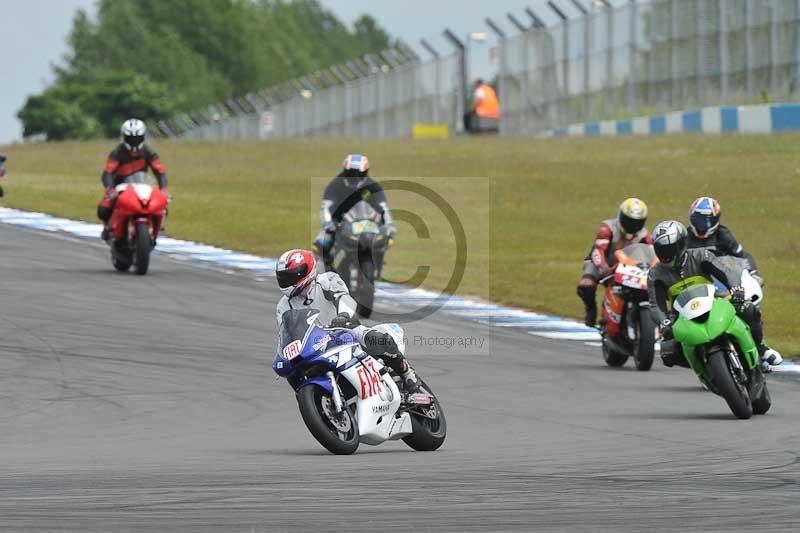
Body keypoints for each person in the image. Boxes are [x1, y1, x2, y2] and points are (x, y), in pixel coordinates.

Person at [274, 248, 420, 391]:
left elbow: (344, 298)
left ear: (305, 272)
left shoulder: (326, 280)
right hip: (315, 346)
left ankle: (407, 373)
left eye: (290, 276)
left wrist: (343, 316)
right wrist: (283, 356)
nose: (286, 281)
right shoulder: (283, 306)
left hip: (343, 329)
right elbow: (287, 333)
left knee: (378, 339)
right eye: (283, 277)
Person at [648, 220, 782, 367]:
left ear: (681, 244)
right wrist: (664, 322)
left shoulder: (700, 255)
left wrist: (735, 289)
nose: (665, 256)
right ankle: (703, 367)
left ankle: (761, 348)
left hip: (713, 302)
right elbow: (655, 304)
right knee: (668, 352)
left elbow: (725, 272)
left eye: (669, 250)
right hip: (682, 315)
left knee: (748, 308)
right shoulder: (655, 274)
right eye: (661, 250)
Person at [577, 198, 652, 327]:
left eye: (637, 222)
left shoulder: (644, 235)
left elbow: (653, 253)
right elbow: (598, 251)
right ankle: (591, 309)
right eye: (629, 221)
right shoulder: (608, 228)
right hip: (601, 262)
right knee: (586, 285)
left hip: (628, 267)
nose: (632, 225)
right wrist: (603, 268)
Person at [313, 154, 396, 271]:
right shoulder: (336, 185)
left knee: (387, 239)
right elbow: (325, 207)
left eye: (359, 174)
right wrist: (328, 224)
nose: (354, 178)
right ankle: (322, 269)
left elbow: (383, 209)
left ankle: (378, 262)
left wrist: (389, 225)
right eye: (350, 173)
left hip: (366, 221)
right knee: (321, 243)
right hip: (341, 221)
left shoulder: (372, 187)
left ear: (366, 173)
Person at [97, 119, 168, 240]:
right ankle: (108, 227)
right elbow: (107, 173)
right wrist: (110, 189)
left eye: (137, 138)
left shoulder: (149, 152)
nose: (134, 142)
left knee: (162, 204)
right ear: (124, 137)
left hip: (143, 184)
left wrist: (164, 189)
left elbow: (159, 172)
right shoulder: (117, 153)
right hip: (120, 185)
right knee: (103, 209)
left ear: (143, 137)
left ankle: (157, 227)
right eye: (130, 138)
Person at [687, 196, 759, 281]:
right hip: (693, 281)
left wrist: (753, 274)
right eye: (698, 220)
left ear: (715, 219)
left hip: (721, 281)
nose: (701, 226)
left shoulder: (723, 235)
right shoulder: (685, 236)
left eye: (707, 222)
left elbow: (742, 256)